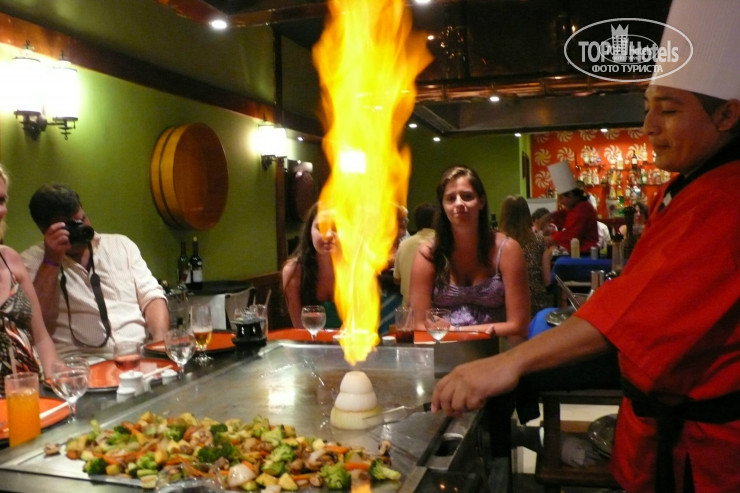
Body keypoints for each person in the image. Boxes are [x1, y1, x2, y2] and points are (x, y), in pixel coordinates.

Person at [432, 1, 740, 491]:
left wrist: (511, 361)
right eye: (647, 107)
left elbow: (634, 314)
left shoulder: (724, 200)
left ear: (727, 114)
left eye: (668, 110)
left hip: (706, 454)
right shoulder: (687, 184)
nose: (649, 127)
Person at [22, 184, 168, 359]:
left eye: (82, 219)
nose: (81, 228)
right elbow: (35, 326)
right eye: (70, 226)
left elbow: (152, 297)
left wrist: (159, 343)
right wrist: (51, 261)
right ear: (45, 230)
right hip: (81, 366)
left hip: (140, 357)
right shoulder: (30, 262)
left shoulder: (121, 246)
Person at [409, 166, 530, 347]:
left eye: (467, 196)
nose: (459, 203)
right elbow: (418, 325)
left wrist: (455, 331)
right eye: (450, 198)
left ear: (481, 202)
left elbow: (519, 325)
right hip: (444, 352)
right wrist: (475, 332)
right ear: (443, 206)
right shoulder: (428, 254)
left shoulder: (507, 250)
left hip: (499, 350)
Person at [0, 167, 58, 393]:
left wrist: (58, 385)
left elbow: (41, 339)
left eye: (1, 200)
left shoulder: (10, 259)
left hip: (32, 397)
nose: (1, 210)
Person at [281, 203, 342, 329]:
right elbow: (300, 330)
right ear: (310, 232)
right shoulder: (294, 271)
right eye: (320, 227)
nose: (328, 235)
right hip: (309, 340)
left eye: (335, 228)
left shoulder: (357, 269)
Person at [499, 195, 553, 315]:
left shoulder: (498, 242)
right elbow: (547, 280)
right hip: (535, 304)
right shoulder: (539, 240)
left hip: (506, 305)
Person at [543, 161, 599, 254]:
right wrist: (549, 216)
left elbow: (570, 236)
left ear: (572, 195)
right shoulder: (576, 207)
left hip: (586, 254)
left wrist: (546, 238)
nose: (560, 202)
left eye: (562, 198)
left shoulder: (583, 209)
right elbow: (563, 215)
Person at [393, 202, 435, 307]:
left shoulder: (404, 244)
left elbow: (397, 279)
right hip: (436, 311)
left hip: (408, 309)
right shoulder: (444, 243)